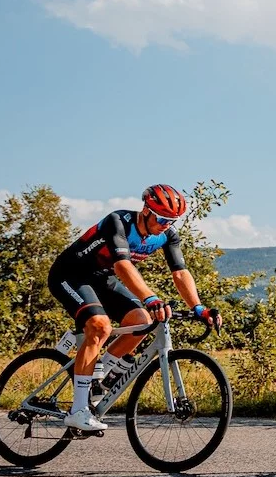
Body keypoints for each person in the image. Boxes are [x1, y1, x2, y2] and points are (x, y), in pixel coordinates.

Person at [48, 184, 222, 431]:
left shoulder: (167, 235)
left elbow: (180, 273)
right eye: (162, 218)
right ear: (146, 210)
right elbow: (122, 267)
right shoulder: (118, 221)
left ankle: (98, 381)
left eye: (172, 221)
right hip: (70, 274)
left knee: (141, 322)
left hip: (102, 279)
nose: (166, 225)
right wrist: (151, 298)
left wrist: (199, 308)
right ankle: (78, 410)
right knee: (99, 326)